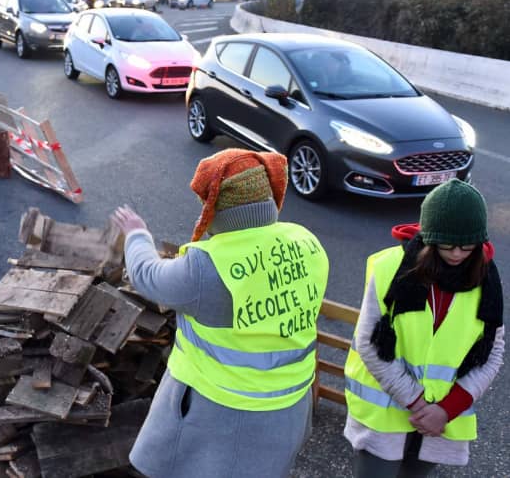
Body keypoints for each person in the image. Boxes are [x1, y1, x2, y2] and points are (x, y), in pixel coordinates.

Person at [110, 148, 330, 477]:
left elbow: (149, 276)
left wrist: (137, 233)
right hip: (289, 409)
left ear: (216, 209)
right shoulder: (307, 243)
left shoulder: (209, 267)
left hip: (222, 413)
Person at [344, 179, 504, 477]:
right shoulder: (389, 268)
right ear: (428, 237)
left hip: (441, 421)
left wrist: (446, 409)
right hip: (386, 415)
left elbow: (492, 355)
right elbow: (368, 343)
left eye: (467, 246)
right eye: (446, 245)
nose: (457, 254)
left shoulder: (487, 280)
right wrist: (418, 403)